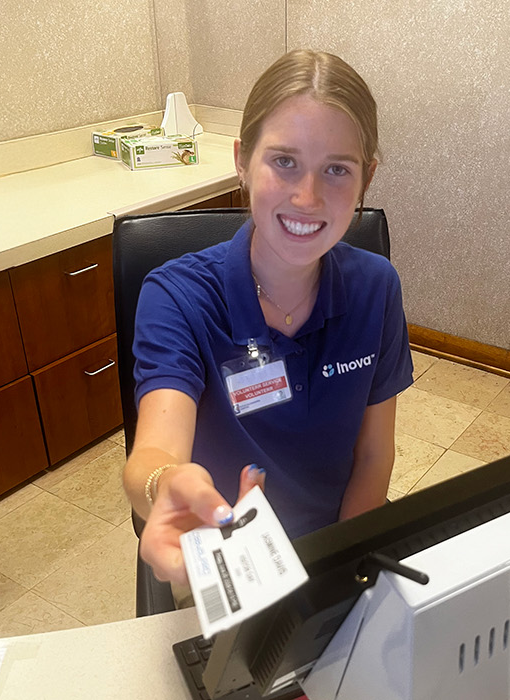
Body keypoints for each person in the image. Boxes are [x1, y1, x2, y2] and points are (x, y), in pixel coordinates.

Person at [123, 49, 414, 585]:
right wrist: (164, 484)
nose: (308, 197)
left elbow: (374, 455)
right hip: (230, 554)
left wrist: (345, 570)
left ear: (367, 176)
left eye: (336, 170)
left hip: (339, 541)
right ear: (242, 160)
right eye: (284, 161)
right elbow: (154, 452)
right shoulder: (178, 296)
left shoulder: (377, 288)